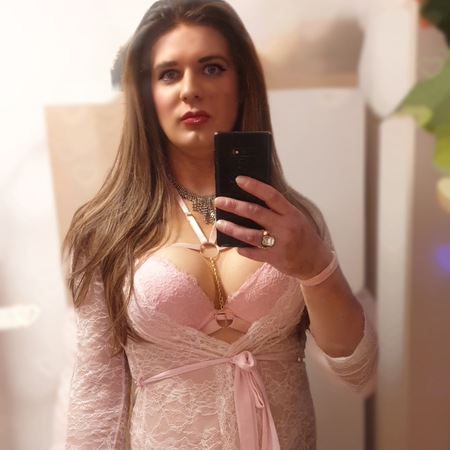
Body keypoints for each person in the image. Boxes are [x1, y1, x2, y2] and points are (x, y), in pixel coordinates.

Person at [63, 0, 378, 448]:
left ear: (242, 83)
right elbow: (97, 402)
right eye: (169, 74)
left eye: (211, 68)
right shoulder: (106, 231)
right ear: (146, 94)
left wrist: (316, 268)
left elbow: (357, 370)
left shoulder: (294, 222)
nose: (190, 89)